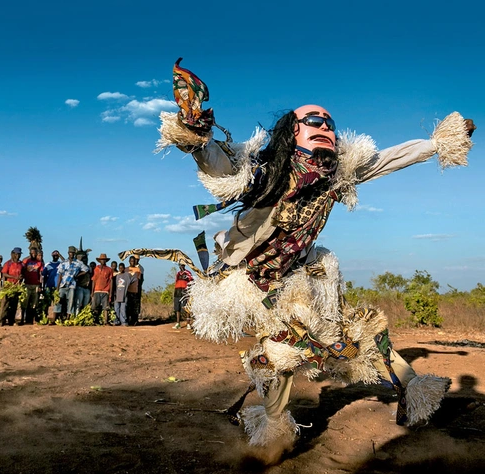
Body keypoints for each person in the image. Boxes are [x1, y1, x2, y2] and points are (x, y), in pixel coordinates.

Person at [152, 59, 476, 446]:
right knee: (279, 354)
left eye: (329, 123)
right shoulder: (264, 169)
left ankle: (413, 390)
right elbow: (221, 169)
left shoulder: (338, 172)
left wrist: (438, 143)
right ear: (293, 132)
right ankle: (272, 431)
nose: (324, 127)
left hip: (302, 273)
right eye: (313, 122)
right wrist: (196, 135)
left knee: (356, 332)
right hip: (251, 279)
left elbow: (388, 158)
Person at [56, 246, 89, 320]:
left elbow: (86, 269)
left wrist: (77, 275)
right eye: (70, 253)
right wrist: (57, 287)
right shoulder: (64, 262)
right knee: (59, 301)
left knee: (70, 302)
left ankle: (68, 318)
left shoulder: (78, 263)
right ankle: (57, 317)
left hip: (72, 285)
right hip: (63, 285)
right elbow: (60, 275)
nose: (72, 254)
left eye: (73, 253)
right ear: (68, 253)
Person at [0, 247, 24, 326]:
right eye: (16, 254)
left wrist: (20, 278)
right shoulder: (8, 263)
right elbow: (4, 274)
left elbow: (23, 273)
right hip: (8, 287)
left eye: (19, 254)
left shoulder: (21, 264)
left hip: (16, 287)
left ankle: (11, 321)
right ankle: (1, 321)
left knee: (14, 305)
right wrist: (14, 277)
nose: (18, 256)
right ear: (13, 254)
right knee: (5, 304)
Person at [21, 246, 44, 325]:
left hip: (36, 284)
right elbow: (22, 271)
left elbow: (40, 274)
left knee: (34, 303)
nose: (33, 254)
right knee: (25, 302)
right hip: (27, 284)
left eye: (35, 253)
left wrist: (40, 285)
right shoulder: (26, 261)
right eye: (32, 253)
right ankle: (22, 319)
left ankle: (31, 319)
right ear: (30, 253)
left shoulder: (39, 263)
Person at [91, 253, 114, 325]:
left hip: (105, 290)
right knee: (95, 307)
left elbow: (111, 281)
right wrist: (92, 291)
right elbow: (94, 280)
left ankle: (106, 321)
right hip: (97, 290)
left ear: (106, 261)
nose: (103, 261)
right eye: (101, 260)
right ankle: (95, 320)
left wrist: (110, 292)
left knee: (106, 307)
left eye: (104, 260)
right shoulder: (96, 269)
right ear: (99, 261)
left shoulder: (109, 269)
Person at [172, 262, 193, 330]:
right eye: (180, 265)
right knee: (177, 308)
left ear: (184, 265)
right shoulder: (178, 274)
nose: (181, 266)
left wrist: (189, 290)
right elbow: (176, 281)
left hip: (184, 291)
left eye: (182, 265)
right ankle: (178, 323)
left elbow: (191, 281)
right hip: (177, 291)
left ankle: (188, 324)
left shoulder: (188, 273)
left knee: (186, 307)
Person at [42, 250, 62, 319]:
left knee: (57, 303)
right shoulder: (48, 264)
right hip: (48, 286)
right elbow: (44, 276)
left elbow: (67, 262)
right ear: (52, 256)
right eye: (54, 255)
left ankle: (55, 318)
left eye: (57, 256)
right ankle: (45, 317)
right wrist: (43, 286)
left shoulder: (61, 264)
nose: (56, 257)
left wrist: (60, 255)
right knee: (47, 302)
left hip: (57, 287)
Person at [126, 255, 143, 325]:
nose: (133, 262)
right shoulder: (126, 269)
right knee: (128, 306)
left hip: (135, 290)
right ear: (129, 261)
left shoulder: (138, 269)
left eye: (134, 261)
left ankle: (134, 320)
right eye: (131, 261)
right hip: (127, 291)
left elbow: (140, 279)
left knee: (135, 306)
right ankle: (128, 320)